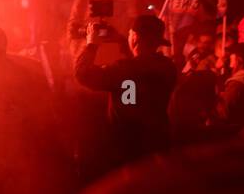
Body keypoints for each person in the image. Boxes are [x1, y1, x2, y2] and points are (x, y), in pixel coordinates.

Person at [74, 13, 178, 167]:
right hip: (158, 144)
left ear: (135, 38)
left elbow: (82, 74)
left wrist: (91, 44)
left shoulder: (123, 70)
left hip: (128, 150)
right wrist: (122, 41)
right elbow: (141, 64)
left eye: (130, 35)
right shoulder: (168, 67)